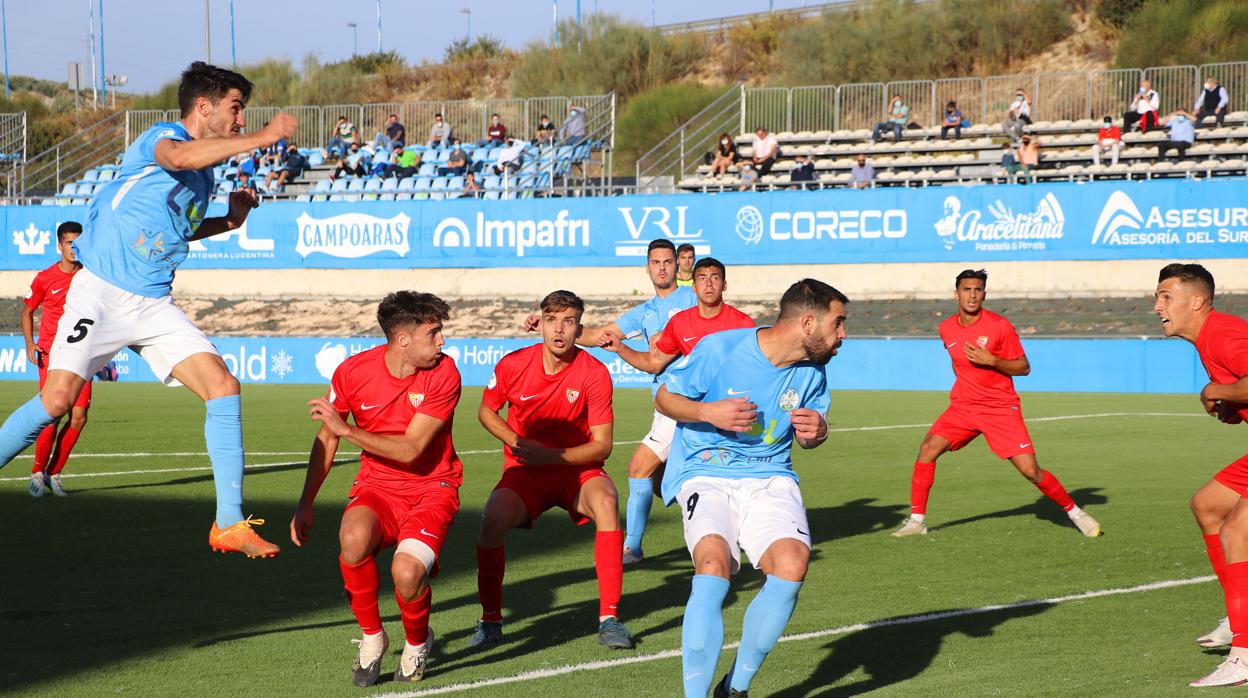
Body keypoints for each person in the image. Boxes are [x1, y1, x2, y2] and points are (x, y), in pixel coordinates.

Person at [0, 61, 296, 557]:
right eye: (236, 108)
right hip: (100, 292)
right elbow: (176, 158)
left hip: (154, 302)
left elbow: (178, 228)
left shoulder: (206, 178)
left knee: (223, 387)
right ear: (204, 106)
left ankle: (228, 523)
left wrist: (229, 221)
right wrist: (261, 139)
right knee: (57, 402)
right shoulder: (161, 138)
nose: (241, 120)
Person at [657, 278, 843, 697]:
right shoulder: (721, 349)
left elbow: (812, 431)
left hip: (771, 476)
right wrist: (707, 412)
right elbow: (665, 400)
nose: (843, 334)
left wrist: (818, 431)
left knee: (792, 564)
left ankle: (735, 689)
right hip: (706, 471)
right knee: (712, 565)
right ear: (808, 323)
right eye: (838, 323)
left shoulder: (815, 370)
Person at [291, 292, 462, 687]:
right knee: (352, 538)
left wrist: (348, 429)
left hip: (432, 488)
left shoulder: (445, 373)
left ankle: (417, 643)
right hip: (378, 487)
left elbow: (412, 449)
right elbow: (327, 439)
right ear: (403, 339)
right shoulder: (352, 372)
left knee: (406, 572)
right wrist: (305, 504)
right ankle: (373, 638)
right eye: (434, 333)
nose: (443, 341)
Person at [472, 290, 635, 651]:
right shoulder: (514, 364)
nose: (559, 330)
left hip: (574, 471)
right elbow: (486, 411)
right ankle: (490, 621)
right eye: (551, 320)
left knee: (607, 503)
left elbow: (602, 446)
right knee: (492, 518)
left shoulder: (595, 373)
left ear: (580, 328)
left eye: (568, 321)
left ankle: (610, 618)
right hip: (526, 471)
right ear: (540, 324)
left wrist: (551, 456)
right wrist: (517, 441)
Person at [522, 239, 697, 565]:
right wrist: (550, 325)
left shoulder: (693, 299)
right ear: (648, 267)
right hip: (665, 405)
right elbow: (601, 334)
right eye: (655, 262)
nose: (661, 267)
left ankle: (632, 548)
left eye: (667, 262)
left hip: (691, 400)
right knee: (661, 482)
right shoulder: (644, 313)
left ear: (678, 266)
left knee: (639, 468)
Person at [892, 269, 1101, 540]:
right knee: (928, 449)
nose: (972, 295)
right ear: (956, 294)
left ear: (984, 294)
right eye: (967, 289)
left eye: (978, 290)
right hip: (964, 406)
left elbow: (1024, 367)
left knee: (1030, 470)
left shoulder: (999, 326)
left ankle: (1075, 513)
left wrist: (993, 361)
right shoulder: (946, 328)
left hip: (999, 408)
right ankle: (918, 521)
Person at [598, 258, 755, 563]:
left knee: (729, 479)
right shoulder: (681, 323)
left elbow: (752, 370)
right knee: (643, 470)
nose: (709, 283)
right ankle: (633, 547)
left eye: (715, 278)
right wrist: (621, 349)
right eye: (702, 278)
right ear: (693, 285)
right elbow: (655, 363)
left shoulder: (742, 324)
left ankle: (737, 534)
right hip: (683, 411)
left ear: (725, 284)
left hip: (724, 415)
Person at [1152, 264, 1248, 687]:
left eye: (1165, 296)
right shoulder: (1208, 337)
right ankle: (1237, 613)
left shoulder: (1223, 333)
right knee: (1208, 505)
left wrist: (1215, 392)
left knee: (1237, 532)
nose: (1157, 306)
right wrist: (1231, 404)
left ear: (1197, 301)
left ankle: (1243, 657)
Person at [22, 222, 92, 498]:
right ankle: (37, 473)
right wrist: (30, 343)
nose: (73, 249)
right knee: (52, 414)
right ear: (59, 246)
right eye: (68, 243)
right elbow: (27, 311)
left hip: (81, 354)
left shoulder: (90, 277)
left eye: (77, 243)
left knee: (79, 416)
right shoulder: (45, 278)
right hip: (51, 356)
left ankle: (55, 472)